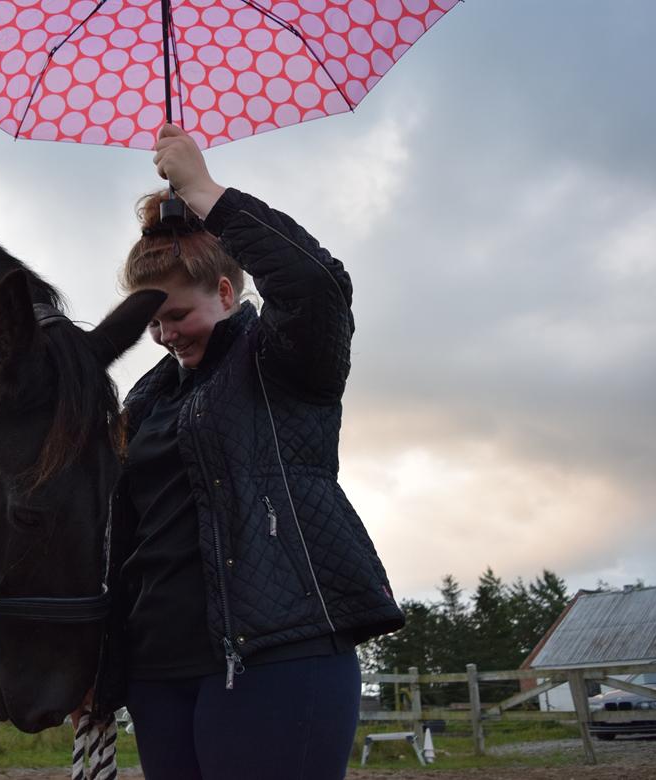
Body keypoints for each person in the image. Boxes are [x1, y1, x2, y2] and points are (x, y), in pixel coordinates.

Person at [86, 124, 406, 780]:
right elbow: (123, 537)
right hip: (160, 669)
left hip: (278, 655)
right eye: (152, 323)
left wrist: (205, 191)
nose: (164, 334)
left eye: (177, 315)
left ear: (227, 294)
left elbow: (317, 285)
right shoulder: (146, 401)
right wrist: (104, 662)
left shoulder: (283, 362)